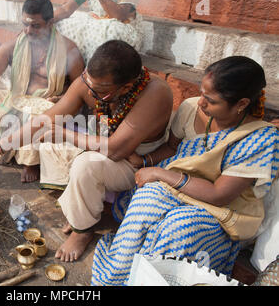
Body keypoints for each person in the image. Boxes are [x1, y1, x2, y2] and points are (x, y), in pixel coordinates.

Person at [0, 40, 173, 262]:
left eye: (99, 91)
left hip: (136, 160)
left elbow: (116, 150)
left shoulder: (156, 92)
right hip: (105, 142)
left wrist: (64, 134)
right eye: (88, 83)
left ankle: (83, 230)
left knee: (85, 165)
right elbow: (45, 120)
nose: (89, 92)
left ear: (126, 87)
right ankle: (83, 210)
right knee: (51, 139)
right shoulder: (89, 82)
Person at [91, 56, 279, 286]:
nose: (201, 102)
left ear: (241, 104)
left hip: (221, 212)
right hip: (181, 190)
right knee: (146, 198)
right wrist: (145, 161)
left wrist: (160, 174)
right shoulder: (191, 108)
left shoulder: (261, 139)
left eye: (211, 100)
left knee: (178, 227)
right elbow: (172, 148)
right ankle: (115, 278)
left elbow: (220, 195)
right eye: (201, 93)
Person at [0, 0, 84, 183]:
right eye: (24, 24)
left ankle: (31, 163)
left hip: (47, 105)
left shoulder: (69, 50)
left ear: (50, 22)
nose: (28, 31)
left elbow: (80, 90)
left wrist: (61, 100)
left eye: (35, 25)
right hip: (17, 99)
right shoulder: (13, 46)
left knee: (39, 115)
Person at [53, 0, 142, 64]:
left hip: (123, 28)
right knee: (63, 23)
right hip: (98, 24)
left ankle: (98, 71)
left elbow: (119, 16)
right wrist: (47, 19)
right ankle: (75, 64)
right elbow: (66, 9)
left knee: (109, 33)